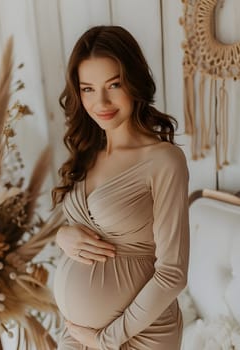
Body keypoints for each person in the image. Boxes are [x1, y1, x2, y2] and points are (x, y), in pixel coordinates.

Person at [52, 25, 189, 350]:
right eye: (87, 88)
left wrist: (105, 339)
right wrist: (62, 236)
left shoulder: (164, 161)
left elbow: (173, 273)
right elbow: (78, 227)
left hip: (138, 336)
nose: (101, 101)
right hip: (77, 334)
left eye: (114, 84)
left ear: (135, 81)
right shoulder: (85, 153)